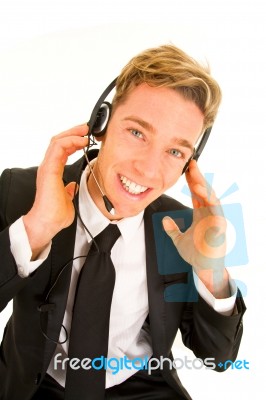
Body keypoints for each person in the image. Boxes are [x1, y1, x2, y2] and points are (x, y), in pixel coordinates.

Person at [0, 44, 246, 400]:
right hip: (33, 386)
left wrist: (212, 270)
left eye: (175, 151)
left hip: (140, 386)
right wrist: (35, 229)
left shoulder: (180, 226)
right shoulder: (20, 192)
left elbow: (218, 358)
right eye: (137, 133)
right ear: (100, 124)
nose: (148, 169)